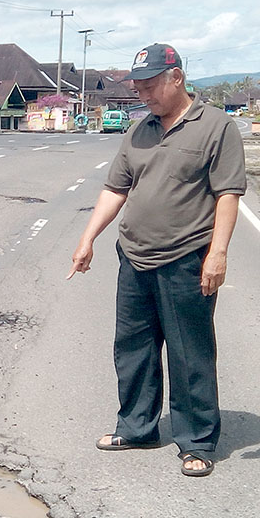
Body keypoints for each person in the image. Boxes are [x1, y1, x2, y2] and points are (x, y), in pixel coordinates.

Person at [67, 43, 246, 477]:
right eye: (139, 88)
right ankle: (137, 427)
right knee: (133, 348)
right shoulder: (139, 130)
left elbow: (228, 194)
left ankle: (197, 440)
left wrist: (217, 253)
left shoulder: (216, 127)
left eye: (150, 86)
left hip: (186, 257)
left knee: (190, 354)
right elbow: (116, 189)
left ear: (176, 78)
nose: (143, 95)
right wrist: (88, 238)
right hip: (133, 256)